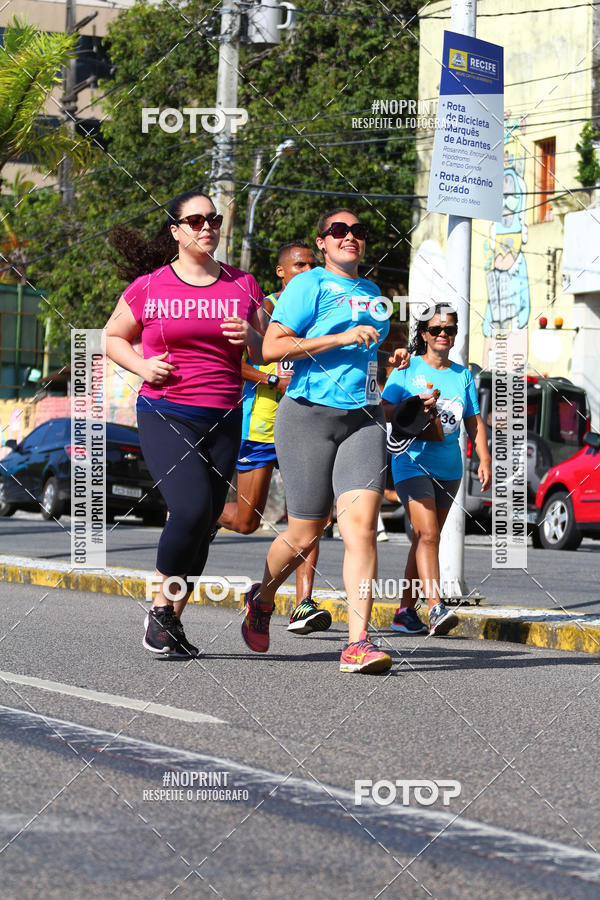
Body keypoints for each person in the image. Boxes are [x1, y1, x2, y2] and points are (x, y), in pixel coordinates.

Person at [239, 207, 408, 674]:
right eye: (339, 230)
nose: (349, 236)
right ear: (322, 242)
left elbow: (365, 354)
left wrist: (388, 359)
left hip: (363, 419)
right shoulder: (308, 285)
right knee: (304, 533)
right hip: (307, 417)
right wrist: (339, 338)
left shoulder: (373, 293)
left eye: (358, 231)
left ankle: (357, 643)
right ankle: (263, 597)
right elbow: (272, 347)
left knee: (362, 529)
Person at [105, 190, 267, 658]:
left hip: (225, 414)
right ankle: (159, 609)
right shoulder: (150, 286)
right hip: (166, 410)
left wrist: (251, 335)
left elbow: (265, 350)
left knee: (205, 523)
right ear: (176, 231)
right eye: (195, 221)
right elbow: (112, 336)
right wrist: (141, 365)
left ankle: (172, 621)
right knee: (192, 509)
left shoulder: (243, 283)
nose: (206, 227)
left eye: (213, 219)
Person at [218, 240, 333, 635]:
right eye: (299, 265)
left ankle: (303, 603)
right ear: (281, 271)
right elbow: (232, 364)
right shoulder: (264, 309)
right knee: (246, 521)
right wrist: (270, 379)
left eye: (313, 265)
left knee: (312, 517)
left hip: (306, 420)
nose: (308, 271)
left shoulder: (322, 310)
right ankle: (204, 512)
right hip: (261, 423)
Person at [382, 305, 492, 636]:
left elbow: (473, 421)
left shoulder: (462, 375)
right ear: (424, 334)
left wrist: (485, 459)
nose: (443, 334)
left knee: (425, 537)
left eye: (449, 329)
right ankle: (435, 607)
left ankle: (404, 611)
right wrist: (415, 404)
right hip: (411, 460)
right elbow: (384, 409)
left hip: (449, 467)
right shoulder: (407, 367)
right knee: (428, 534)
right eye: (436, 329)